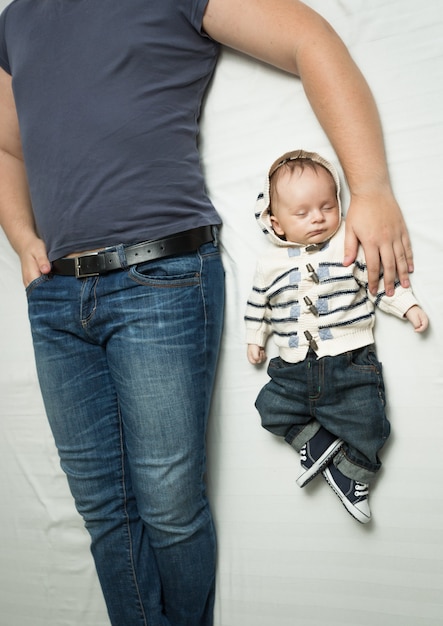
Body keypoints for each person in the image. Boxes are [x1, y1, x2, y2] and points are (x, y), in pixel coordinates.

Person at [0, 0, 416, 623]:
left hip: (158, 278)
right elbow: (8, 149)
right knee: (105, 514)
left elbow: (310, 39)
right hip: (58, 295)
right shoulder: (14, 19)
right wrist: (22, 237)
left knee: (168, 508)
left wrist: (373, 186)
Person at [245, 149, 428, 523]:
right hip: (292, 368)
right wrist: (255, 337)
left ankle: (350, 473)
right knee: (269, 410)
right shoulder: (268, 264)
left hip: (350, 362)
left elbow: (379, 283)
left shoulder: (348, 247)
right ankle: (319, 444)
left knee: (371, 424)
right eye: (303, 213)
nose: (318, 218)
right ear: (276, 223)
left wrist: (407, 306)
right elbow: (257, 304)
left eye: (327, 207)